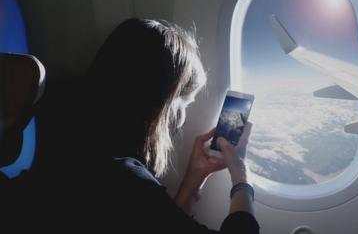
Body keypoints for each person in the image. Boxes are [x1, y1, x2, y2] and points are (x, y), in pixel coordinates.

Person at [73, 18, 259, 233]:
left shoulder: (81, 141)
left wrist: (195, 175)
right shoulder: (127, 180)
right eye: (185, 104)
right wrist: (242, 178)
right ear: (162, 104)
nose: (183, 119)